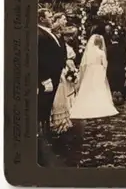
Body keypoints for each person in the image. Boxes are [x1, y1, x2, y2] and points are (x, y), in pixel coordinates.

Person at [69, 34, 119, 119]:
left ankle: (85, 105)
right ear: (100, 43)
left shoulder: (88, 52)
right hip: (99, 71)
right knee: (99, 87)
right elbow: (105, 64)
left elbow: (84, 64)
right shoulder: (101, 52)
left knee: (88, 88)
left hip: (90, 71)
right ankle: (100, 106)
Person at [38, 8, 67, 137]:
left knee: (48, 103)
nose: (51, 19)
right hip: (47, 76)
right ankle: (40, 131)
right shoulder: (39, 34)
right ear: (41, 19)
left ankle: (45, 129)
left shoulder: (49, 32)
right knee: (43, 103)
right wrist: (44, 78)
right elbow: (40, 57)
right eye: (49, 17)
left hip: (54, 74)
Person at [50, 27, 77, 134]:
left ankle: (64, 120)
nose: (70, 38)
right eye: (67, 36)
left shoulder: (66, 46)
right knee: (61, 95)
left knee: (67, 94)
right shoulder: (61, 47)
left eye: (71, 36)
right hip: (63, 71)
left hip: (68, 69)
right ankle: (59, 122)